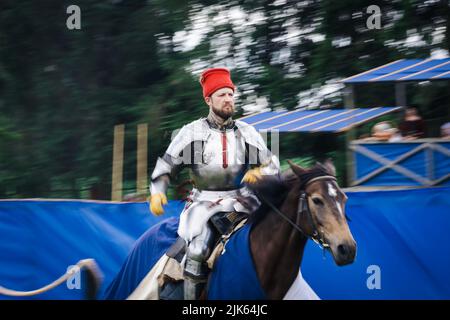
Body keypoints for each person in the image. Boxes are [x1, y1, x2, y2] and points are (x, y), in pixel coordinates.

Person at [148, 68, 280, 300]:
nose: (228, 99)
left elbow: (272, 164)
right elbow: (166, 166)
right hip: (204, 202)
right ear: (208, 99)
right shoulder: (192, 133)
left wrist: (261, 173)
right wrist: (157, 191)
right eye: (222, 95)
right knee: (197, 251)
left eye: (231, 94)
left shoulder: (246, 132)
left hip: (243, 200)